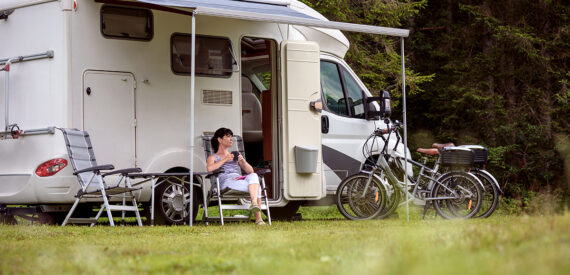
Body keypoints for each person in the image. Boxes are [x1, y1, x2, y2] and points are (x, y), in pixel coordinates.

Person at [206, 127, 265, 225]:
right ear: (220, 140)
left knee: (254, 176)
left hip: (240, 179)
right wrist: (225, 159)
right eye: (228, 136)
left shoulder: (234, 155)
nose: (231, 139)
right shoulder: (213, 157)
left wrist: (243, 161)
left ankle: (254, 203)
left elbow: (250, 171)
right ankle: (259, 219)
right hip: (227, 182)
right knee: (257, 187)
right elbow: (210, 169)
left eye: (231, 137)